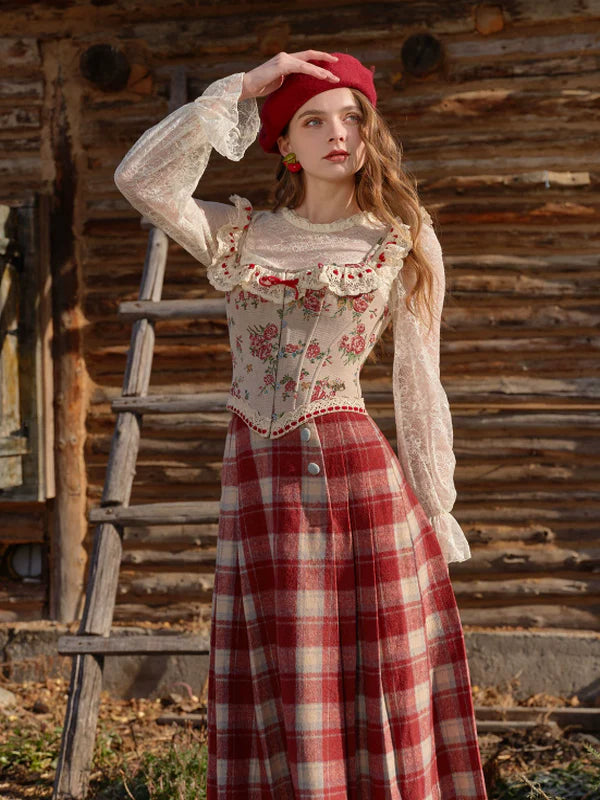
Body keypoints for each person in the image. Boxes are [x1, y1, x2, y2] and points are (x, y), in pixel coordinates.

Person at [114, 49, 488, 800]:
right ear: (284, 143)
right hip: (256, 489)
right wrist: (245, 88)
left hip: (355, 488)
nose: (336, 132)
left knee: (369, 683)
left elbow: (418, 382)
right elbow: (140, 180)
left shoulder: (399, 238)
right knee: (280, 685)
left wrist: (436, 506)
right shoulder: (240, 234)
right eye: (312, 120)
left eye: (353, 116)